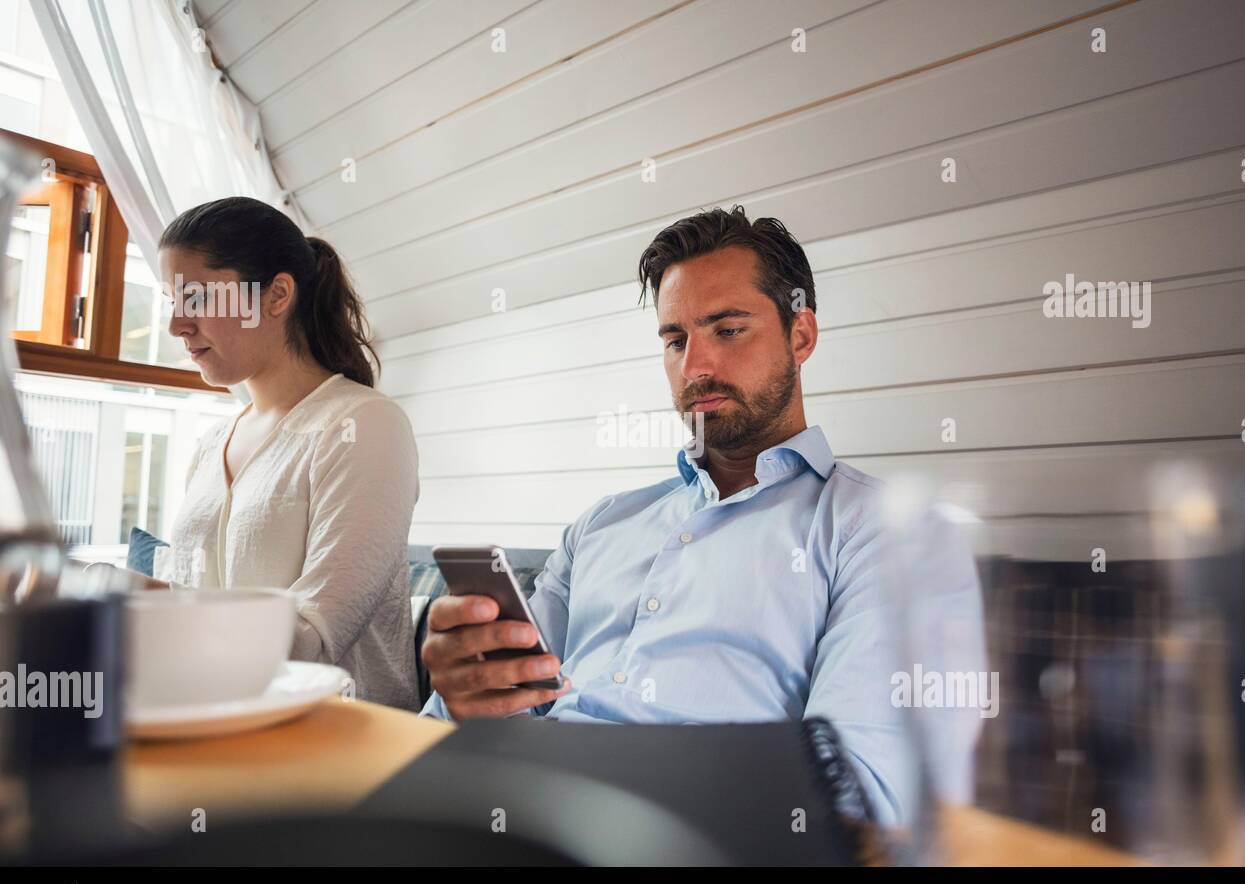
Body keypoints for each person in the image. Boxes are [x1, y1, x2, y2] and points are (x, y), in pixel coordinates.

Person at [419, 206, 984, 822]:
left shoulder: (884, 531)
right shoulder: (602, 524)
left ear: (801, 335)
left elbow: (861, 795)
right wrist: (462, 692)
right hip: (501, 810)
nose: (695, 367)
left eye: (728, 329)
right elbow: (496, 704)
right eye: (674, 339)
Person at [151, 197, 421, 710]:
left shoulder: (363, 425)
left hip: (342, 747)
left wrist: (132, 611)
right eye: (172, 300)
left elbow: (311, 641)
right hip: (216, 728)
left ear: (276, 295)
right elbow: (188, 601)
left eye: (198, 298)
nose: (176, 326)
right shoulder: (211, 446)